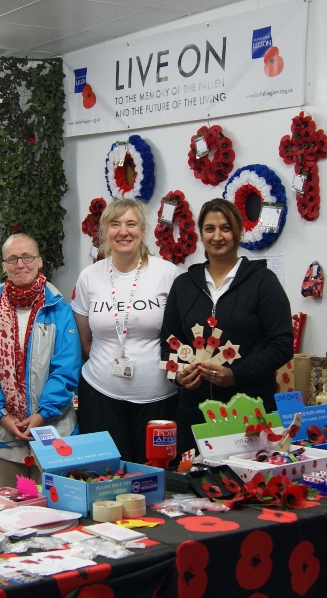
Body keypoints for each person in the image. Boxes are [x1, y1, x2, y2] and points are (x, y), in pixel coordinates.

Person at [161, 199, 294, 455]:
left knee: (250, 488)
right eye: (210, 229)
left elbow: (282, 345)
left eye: (226, 228)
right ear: (201, 234)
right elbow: (168, 344)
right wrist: (178, 373)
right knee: (192, 486)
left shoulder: (263, 282)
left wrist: (236, 374)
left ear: (239, 232)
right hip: (194, 413)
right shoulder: (184, 286)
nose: (218, 236)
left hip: (249, 412)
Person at [0, 234, 81, 487]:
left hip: (53, 428)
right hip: (2, 432)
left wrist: (43, 414)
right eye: (13, 259)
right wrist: (2, 415)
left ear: (39, 261)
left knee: (53, 510)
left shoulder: (59, 308)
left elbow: (66, 368)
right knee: (11, 511)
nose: (21, 264)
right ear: (4, 266)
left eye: (27, 257)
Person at [71, 198, 178, 462]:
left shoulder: (168, 274)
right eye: (115, 224)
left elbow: (178, 337)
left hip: (159, 398)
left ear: (143, 230)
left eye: (131, 224)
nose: (123, 231)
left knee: (156, 480)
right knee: (105, 480)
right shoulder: (89, 276)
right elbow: (85, 342)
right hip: (100, 396)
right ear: (105, 231)